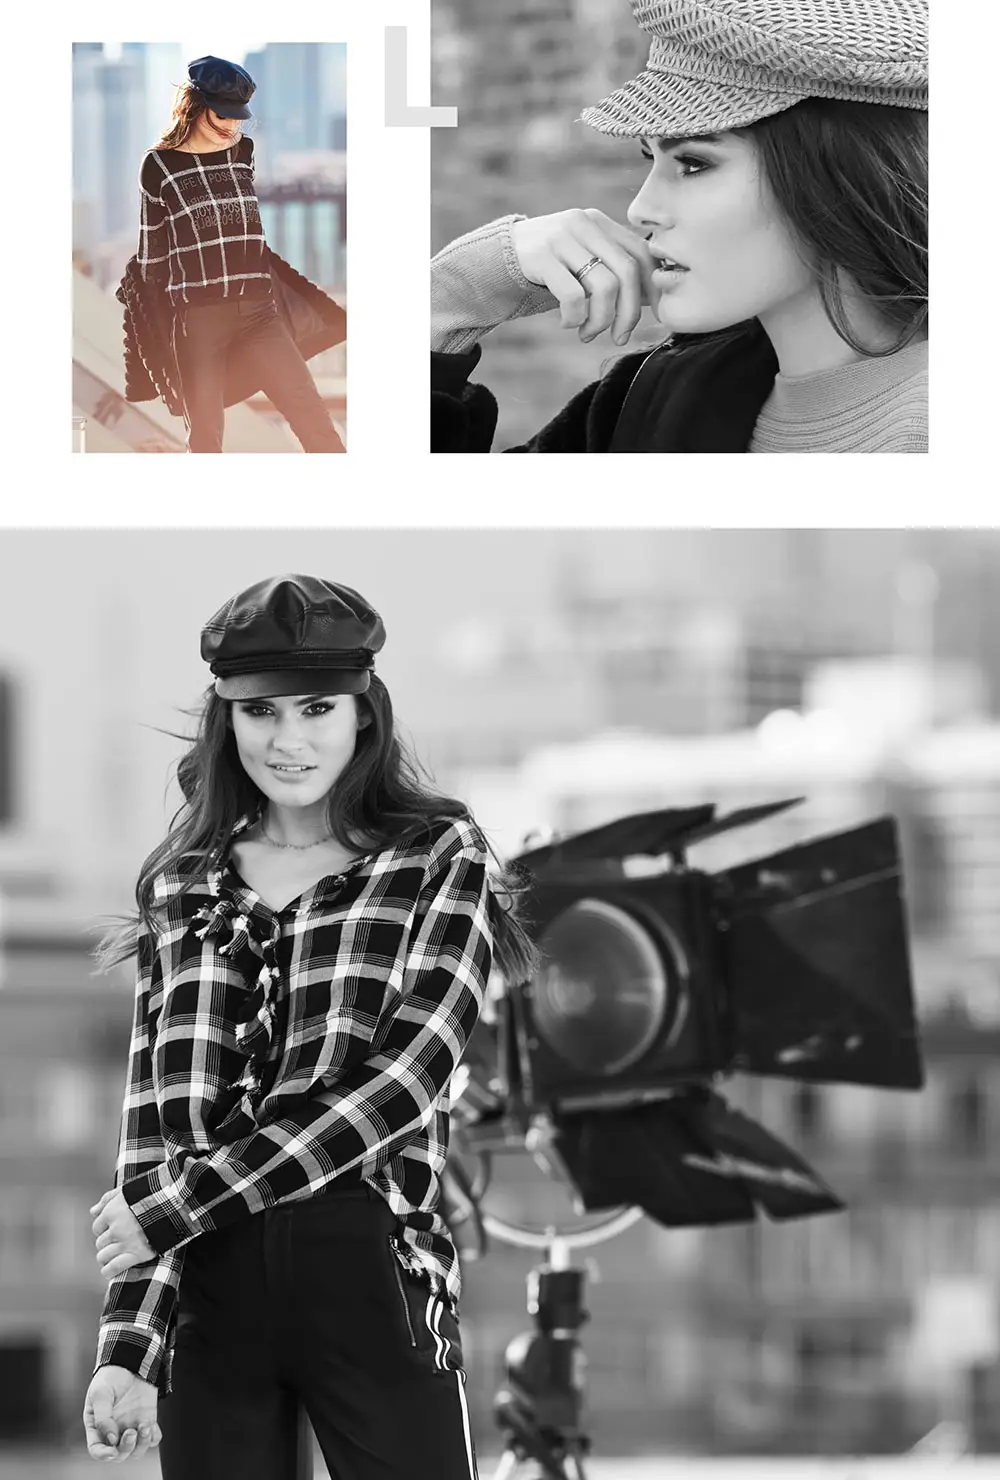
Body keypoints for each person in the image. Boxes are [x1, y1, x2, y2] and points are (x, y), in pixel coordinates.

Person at [82, 575, 537, 1478]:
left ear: (364, 712)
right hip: (208, 1291)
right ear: (227, 719)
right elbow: (156, 1131)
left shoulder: (438, 856)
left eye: (318, 708)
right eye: (261, 714)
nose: (289, 741)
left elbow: (405, 1081)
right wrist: (129, 1348)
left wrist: (178, 1208)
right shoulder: (181, 882)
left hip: (367, 1262)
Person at [431, 0, 928, 453]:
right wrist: (461, 291)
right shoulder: (651, 402)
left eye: (693, 162)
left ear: (837, 176)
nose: (640, 209)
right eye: (650, 158)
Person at [117, 57, 346, 453]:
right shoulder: (158, 165)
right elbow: (153, 255)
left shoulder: (243, 152)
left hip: (261, 313)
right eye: (222, 115)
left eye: (238, 117)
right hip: (198, 322)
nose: (232, 126)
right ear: (194, 107)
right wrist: (146, 311)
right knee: (205, 441)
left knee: (317, 425)